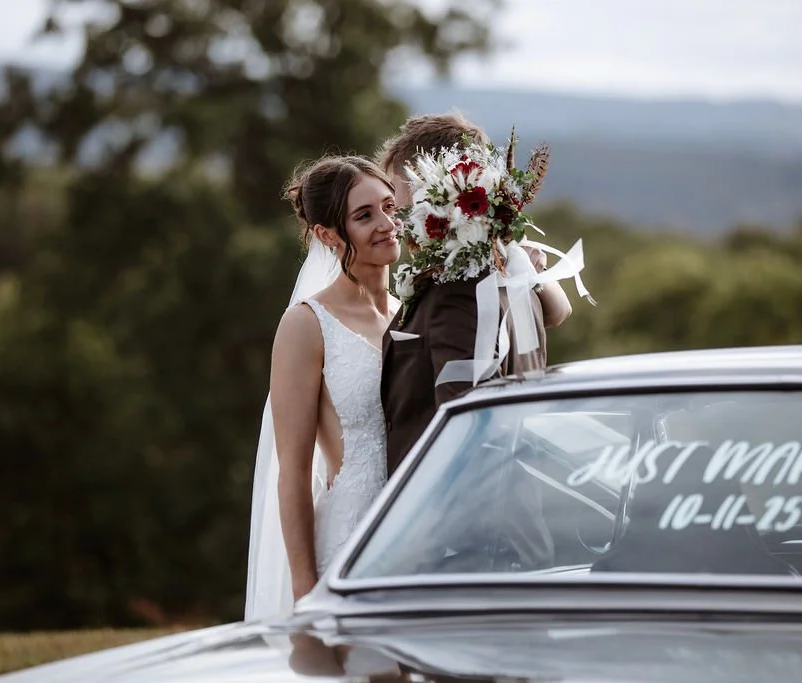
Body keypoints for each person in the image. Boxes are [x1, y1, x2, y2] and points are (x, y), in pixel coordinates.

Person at [376, 113, 583, 572]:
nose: (391, 209)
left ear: (429, 184)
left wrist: (431, 551)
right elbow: (558, 312)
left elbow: (470, 433)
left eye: (395, 191)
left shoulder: (460, 293)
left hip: (468, 548)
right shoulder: (506, 274)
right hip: (510, 534)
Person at [245, 155, 401, 622]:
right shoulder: (306, 325)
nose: (387, 224)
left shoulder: (411, 313)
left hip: (419, 535)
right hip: (351, 542)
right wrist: (305, 592)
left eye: (390, 207)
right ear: (327, 235)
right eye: (364, 215)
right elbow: (291, 471)